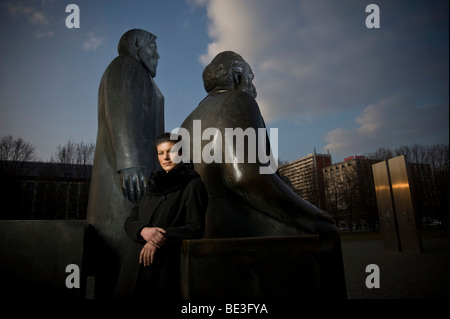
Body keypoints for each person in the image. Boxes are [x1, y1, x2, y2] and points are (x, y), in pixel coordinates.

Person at [180, 51, 346, 297]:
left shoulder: (188, 120)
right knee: (326, 232)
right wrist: (310, 212)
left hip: (202, 223)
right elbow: (246, 177)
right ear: (237, 76)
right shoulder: (238, 101)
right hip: (235, 220)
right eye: (250, 77)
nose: (253, 86)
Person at [87, 29, 164, 298]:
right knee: (121, 248)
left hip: (143, 175)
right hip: (128, 176)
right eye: (153, 48)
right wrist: (129, 162)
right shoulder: (125, 65)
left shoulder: (142, 75)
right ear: (136, 47)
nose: (157, 55)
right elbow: (121, 111)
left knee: (131, 252)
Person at [114, 133, 208, 299]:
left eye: (170, 151)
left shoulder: (193, 185)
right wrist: (143, 231)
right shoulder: (153, 184)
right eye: (160, 153)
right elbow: (130, 220)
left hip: (162, 268)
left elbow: (196, 228)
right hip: (134, 262)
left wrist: (157, 238)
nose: (165, 157)